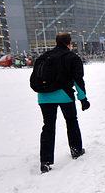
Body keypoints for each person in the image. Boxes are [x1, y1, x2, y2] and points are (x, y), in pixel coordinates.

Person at [37, 32, 90, 174]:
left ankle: (45, 161)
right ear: (69, 43)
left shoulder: (45, 56)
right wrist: (83, 99)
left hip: (44, 96)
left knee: (48, 126)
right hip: (64, 95)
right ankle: (76, 150)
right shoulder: (72, 58)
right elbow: (78, 80)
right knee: (71, 121)